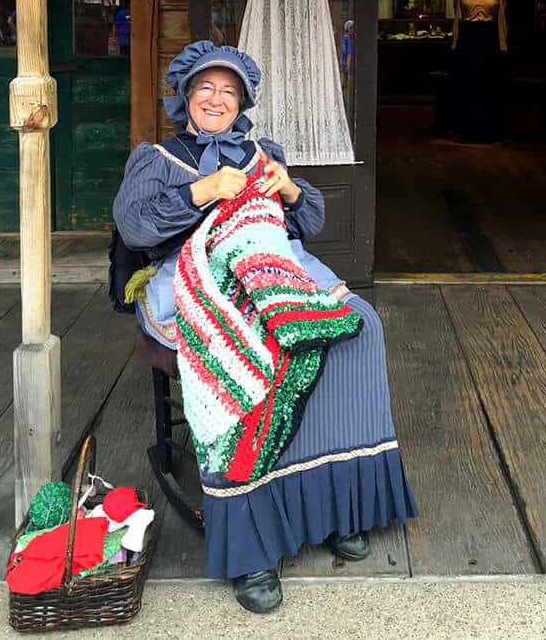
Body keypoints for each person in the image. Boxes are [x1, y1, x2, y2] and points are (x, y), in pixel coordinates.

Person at [112, 41, 417, 614]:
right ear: (185, 95)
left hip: (277, 267)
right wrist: (204, 191)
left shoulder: (262, 152)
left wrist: (289, 188)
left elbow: (309, 220)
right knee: (251, 348)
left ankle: (331, 507)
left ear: (244, 101)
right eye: (206, 87)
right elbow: (133, 226)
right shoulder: (158, 157)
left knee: (357, 329)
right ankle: (252, 544)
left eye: (229, 91)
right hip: (194, 276)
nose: (217, 99)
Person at [451, 0, 508, 142]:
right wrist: (455, 41)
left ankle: (489, 130)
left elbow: (502, 14)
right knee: (469, 82)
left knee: (488, 82)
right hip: (468, 35)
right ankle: (468, 129)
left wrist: (502, 43)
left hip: (489, 36)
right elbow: (457, 14)